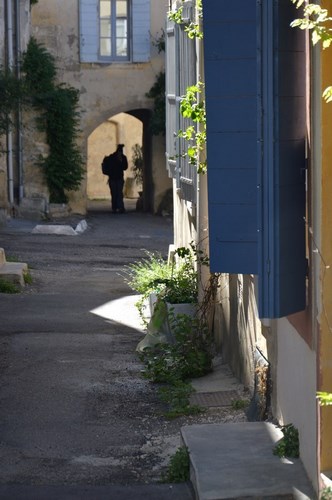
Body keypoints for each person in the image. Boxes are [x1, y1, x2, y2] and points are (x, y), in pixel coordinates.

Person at [102, 144, 128, 213]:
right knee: (118, 193)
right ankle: (119, 207)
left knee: (115, 193)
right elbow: (125, 167)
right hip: (117, 178)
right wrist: (120, 161)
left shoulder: (112, 157)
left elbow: (125, 167)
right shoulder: (119, 157)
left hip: (113, 178)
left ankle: (115, 207)